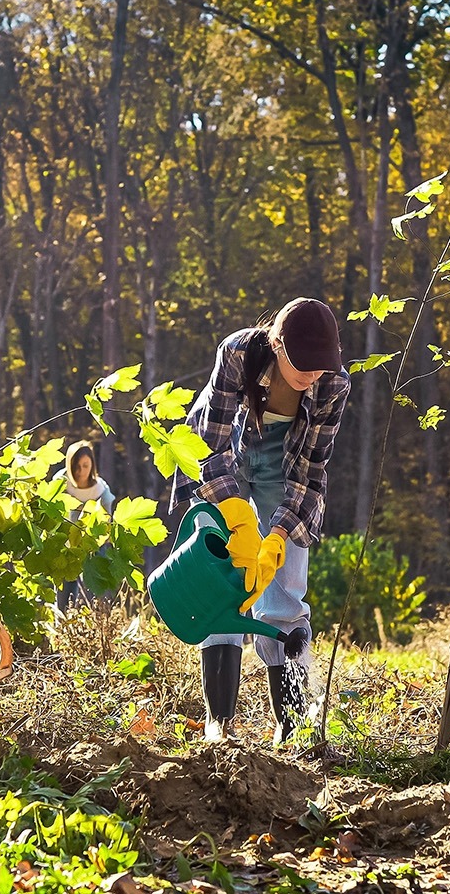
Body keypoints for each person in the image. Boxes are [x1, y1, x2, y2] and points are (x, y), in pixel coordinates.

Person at [172, 297, 350, 744]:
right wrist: (235, 516)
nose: (311, 375)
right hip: (226, 458)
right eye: (302, 364)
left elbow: (311, 471)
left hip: (284, 468)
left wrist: (275, 534)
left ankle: (292, 726)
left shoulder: (333, 386)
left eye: (320, 366)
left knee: (286, 593)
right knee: (224, 583)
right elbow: (205, 446)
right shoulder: (238, 354)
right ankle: (220, 722)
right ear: (277, 344)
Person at [55, 440, 117, 610]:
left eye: (85, 465)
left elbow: (106, 524)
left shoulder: (101, 492)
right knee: (63, 595)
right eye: (76, 466)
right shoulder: (60, 483)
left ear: (92, 466)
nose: (80, 471)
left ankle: (90, 626)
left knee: (89, 595)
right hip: (65, 547)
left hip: (92, 548)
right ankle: (62, 632)